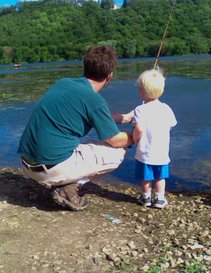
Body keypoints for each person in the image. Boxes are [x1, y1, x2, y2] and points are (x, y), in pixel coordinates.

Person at [18, 45, 134, 211]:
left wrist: (124, 118)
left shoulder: (63, 83)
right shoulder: (94, 100)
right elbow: (115, 140)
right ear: (110, 76)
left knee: (89, 143)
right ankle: (69, 187)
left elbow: (95, 115)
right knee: (118, 151)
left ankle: (62, 181)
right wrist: (137, 136)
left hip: (26, 164)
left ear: (85, 67)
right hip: (49, 171)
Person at [132, 68, 177, 209]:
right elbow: (171, 125)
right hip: (161, 152)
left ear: (141, 92)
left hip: (144, 152)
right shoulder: (166, 108)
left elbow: (138, 129)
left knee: (146, 178)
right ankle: (159, 199)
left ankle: (145, 199)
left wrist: (134, 139)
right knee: (160, 177)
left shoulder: (140, 110)